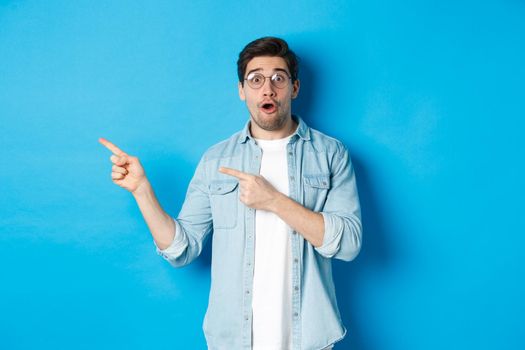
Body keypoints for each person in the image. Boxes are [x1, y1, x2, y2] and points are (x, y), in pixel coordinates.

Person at [100, 36, 362, 350]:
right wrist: (142, 191)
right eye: (256, 79)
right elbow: (182, 249)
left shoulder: (331, 154)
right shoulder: (216, 160)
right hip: (233, 341)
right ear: (241, 90)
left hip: (308, 340)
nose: (268, 88)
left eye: (279, 78)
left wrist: (274, 201)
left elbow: (348, 244)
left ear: (294, 88)